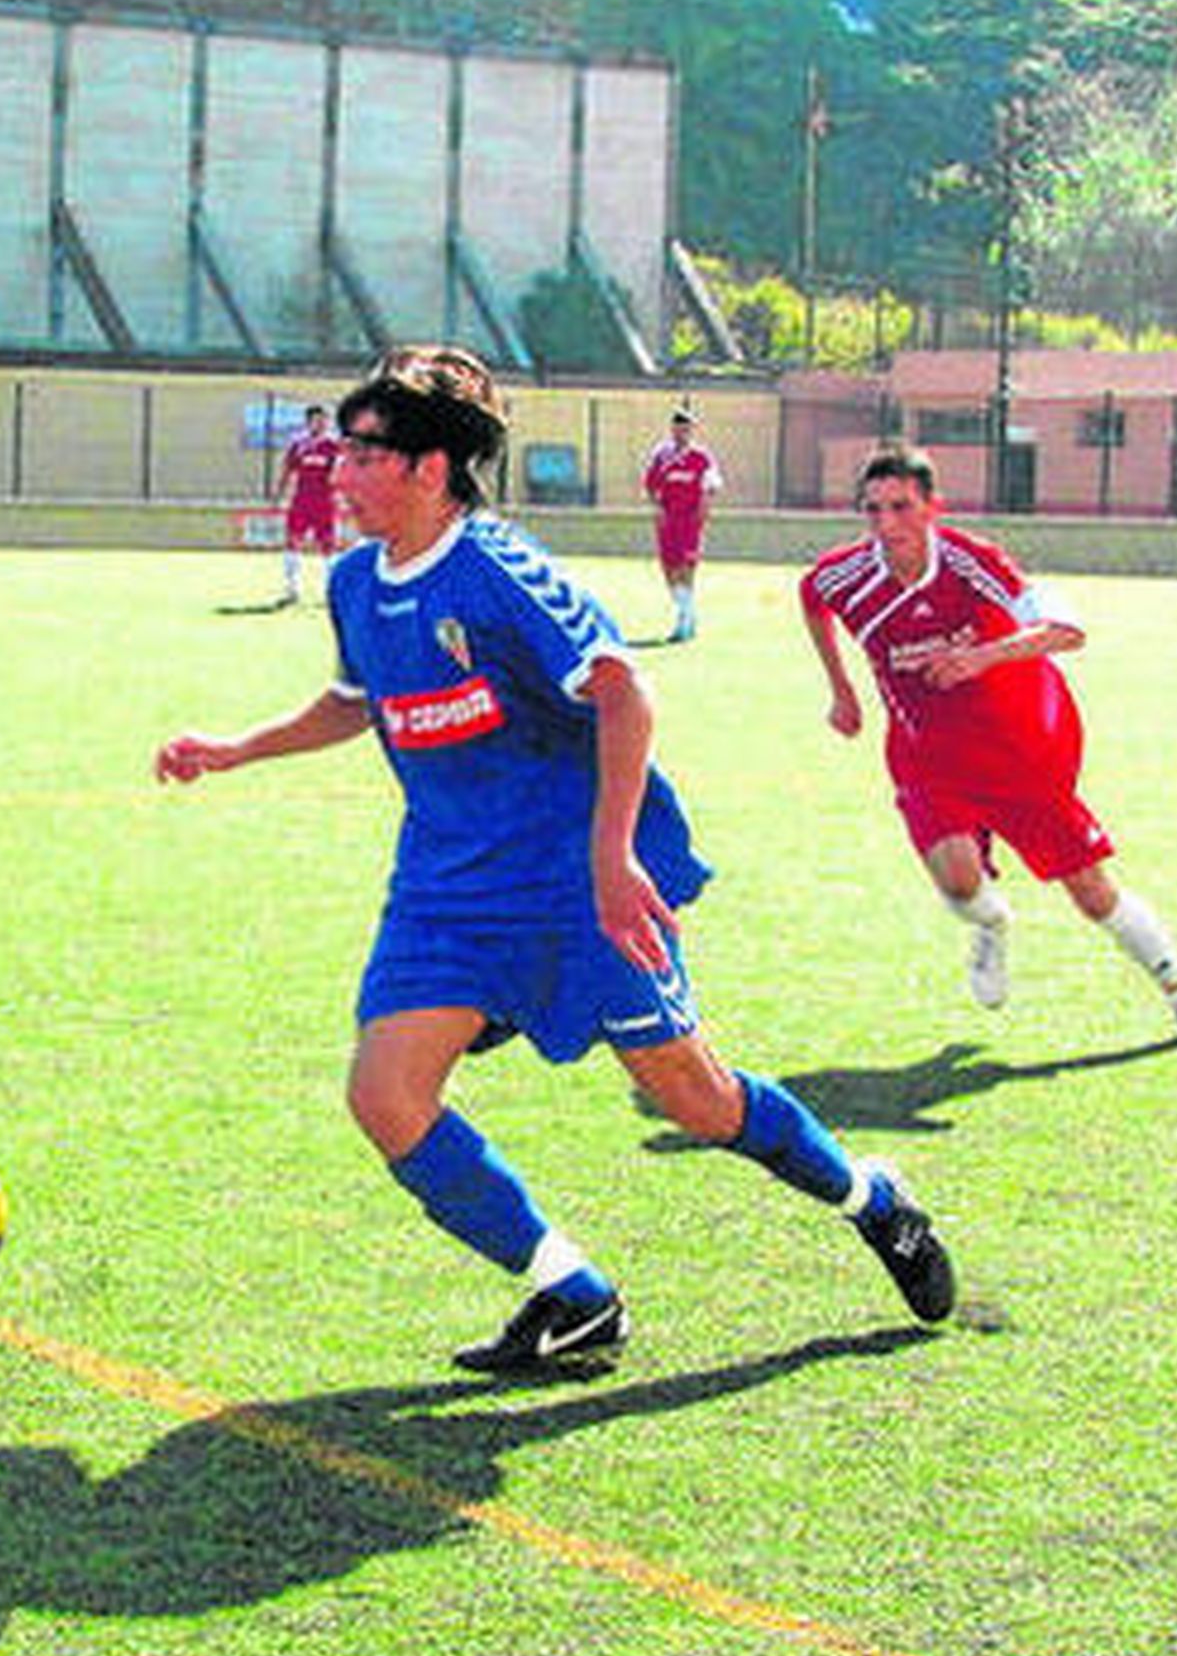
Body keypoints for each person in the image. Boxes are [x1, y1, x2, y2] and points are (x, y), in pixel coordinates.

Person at [158, 345, 955, 1375]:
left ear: (429, 468)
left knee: (697, 1101)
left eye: (362, 453)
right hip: (445, 890)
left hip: (576, 884)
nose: (339, 471)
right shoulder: (356, 581)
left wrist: (616, 858)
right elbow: (354, 703)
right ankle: (571, 1293)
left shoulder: (497, 569)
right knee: (384, 1094)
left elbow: (625, 690)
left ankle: (870, 1199)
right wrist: (234, 747)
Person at [800, 443, 1177, 1047]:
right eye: (872, 510)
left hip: (1018, 755)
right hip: (927, 756)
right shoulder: (844, 575)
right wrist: (842, 690)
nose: (885, 524)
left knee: (1091, 894)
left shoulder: (974, 562)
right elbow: (812, 601)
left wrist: (980, 657)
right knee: (957, 883)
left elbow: (1068, 632)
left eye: (900, 507)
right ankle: (993, 924)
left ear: (932, 509)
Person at [642, 407, 721, 643]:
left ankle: (684, 621)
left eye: (686, 429)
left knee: (686, 568)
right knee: (668, 568)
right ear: (671, 429)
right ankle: (686, 612)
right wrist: (657, 508)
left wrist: (703, 511)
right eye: (677, 428)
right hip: (667, 521)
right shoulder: (661, 455)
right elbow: (651, 485)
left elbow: (712, 486)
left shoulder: (701, 457)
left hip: (689, 521)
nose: (681, 433)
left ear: (692, 431)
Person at [275, 403, 343, 604]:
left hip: (324, 502)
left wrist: (343, 494)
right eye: (316, 420)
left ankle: (332, 592)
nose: (320, 423)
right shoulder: (298, 445)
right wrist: (279, 496)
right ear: (308, 422)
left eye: (323, 420)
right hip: (301, 502)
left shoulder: (333, 446)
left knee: (328, 547)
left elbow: (340, 473)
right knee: (292, 542)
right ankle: (291, 590)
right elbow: (287, 471)